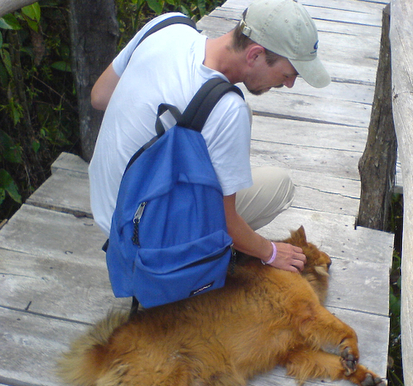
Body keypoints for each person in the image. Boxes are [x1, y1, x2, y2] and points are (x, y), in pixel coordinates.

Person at [88, 0, 330, 274]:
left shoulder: (167, 26)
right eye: (288, 74)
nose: (289, 84)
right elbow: (225, 221)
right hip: (145, 241)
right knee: (280, 185)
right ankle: (193, 260)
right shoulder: (227, 109)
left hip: (107, 206)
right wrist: (271, 252)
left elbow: (99, 96)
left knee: (234, 116)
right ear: (255, 55)